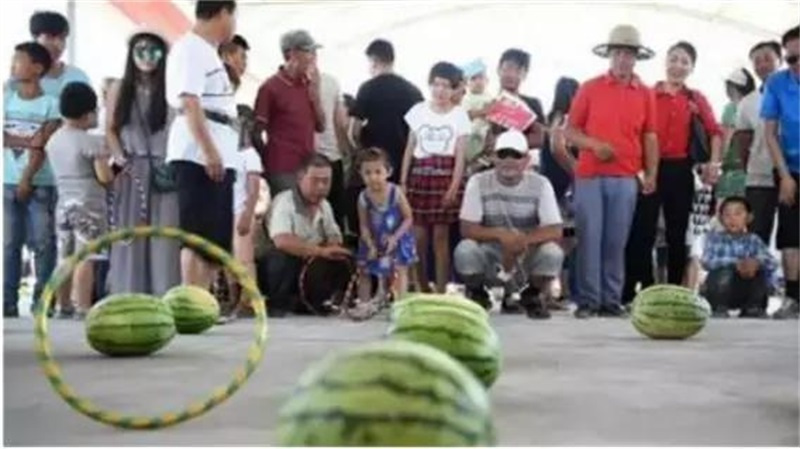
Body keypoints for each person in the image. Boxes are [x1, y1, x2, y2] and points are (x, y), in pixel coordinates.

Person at [564, 24, 659, 319]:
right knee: (589, 237)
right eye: (618, 53)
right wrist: (593, 145)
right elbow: (569, 132)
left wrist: (651, 173)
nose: (623, 59)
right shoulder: (589, 87)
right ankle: (588, 301)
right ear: (609, 55)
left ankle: (611, 300)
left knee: (617, 240)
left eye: (628, 54)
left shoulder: (645, 93)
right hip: (590, 174)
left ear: (636, 58)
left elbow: (650, 136)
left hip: (626, 175)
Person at [622, 41, 723, 305]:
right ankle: (637, 288)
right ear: (665, 62)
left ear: (691, 68)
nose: (678, 65)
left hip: (680, 170)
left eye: (684, 61)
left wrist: (713, 163)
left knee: (678, 234)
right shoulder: (648, 93)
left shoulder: (695, 98)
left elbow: (715, 132)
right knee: (642, 231)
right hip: (650, 168)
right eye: (674, 59)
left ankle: (677, 292)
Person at [165, 0, 239, 290]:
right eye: (234, 16)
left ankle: (204, 302)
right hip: (199, 152)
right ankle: (190, 301)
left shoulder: (207, 52)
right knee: (197, 231)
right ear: (223, 13)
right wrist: (209, 151)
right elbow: (190, 100)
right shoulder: (190, 48)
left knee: (214, 236)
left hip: (221, 146)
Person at [455, 130, 564, 318]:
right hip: (491, 253)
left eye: (516, 155)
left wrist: (521, 241)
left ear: (526, 159)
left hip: (526, 253)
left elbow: (555, 229)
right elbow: (467, 228)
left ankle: (531, 294)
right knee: (465, 250)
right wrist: (501, 236)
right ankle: (478, 293)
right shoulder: (478, 182)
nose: (509, 160)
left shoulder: (541, 184)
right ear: (493, 157)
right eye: (503, 154)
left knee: (552, 252)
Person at [106, 31, 180, 296]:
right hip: (131, 168)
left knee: (165, 235)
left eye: (154, 50)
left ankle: (165, 295)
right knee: (131, 235)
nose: (147, 56)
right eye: (141, 50)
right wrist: (120, 159)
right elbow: (110, 130)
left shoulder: (172, 89)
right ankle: (128, 294)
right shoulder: (119, 88)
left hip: (165, 170)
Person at [46, 82, 114, 319]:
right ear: (88, 114)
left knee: (64, 256)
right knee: (88, 256)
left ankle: (61, 305)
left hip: (63, 203)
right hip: (89, 205)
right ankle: (82, 305)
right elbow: (104, 176)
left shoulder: (54, 140)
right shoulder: (92, 142)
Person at [401, 62, 470, 293]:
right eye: (436, 84)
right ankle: (422, 287)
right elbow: (410, 147)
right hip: (419, 176)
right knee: (418, 238)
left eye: (446, 86)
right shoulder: (418, 110)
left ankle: (441, 291)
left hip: (445, 175)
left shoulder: (460, 115)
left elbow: (461, 155)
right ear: (430, 85)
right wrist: (402, 181)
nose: (440, 90)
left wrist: (454, 186)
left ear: (455, 89)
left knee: (441, 238)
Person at [3, 42, 60, 318]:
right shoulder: (6, 99)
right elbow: (32, 141)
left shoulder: (52, 105)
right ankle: (7, 301)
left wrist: (28, 177)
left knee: (43, 243)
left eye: (19, 60)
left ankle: (43, 300)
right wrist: (29, 140)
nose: (13, 65)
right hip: (7, 181)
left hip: (41, 183)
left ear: (37, 68)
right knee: (9, 243)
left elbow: (43, 145)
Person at [262, 154, 352, 317]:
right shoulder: (285, 202)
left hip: (309, 265)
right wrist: (320, 251)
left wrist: (333, 247)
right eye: (315, 180)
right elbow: (282, 241)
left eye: (326, 181)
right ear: (299, 178)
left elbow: (334, 236)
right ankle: (277, 302)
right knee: (280, 258)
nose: (321, 187)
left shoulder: (325, 205)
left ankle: (321, 300)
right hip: (281, 265)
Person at [253, 29, 325, 196]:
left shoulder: (309, 85)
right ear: (291, 54)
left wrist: (316, 95)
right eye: (309, 51)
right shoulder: (270, 88)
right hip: (282, 169)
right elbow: (256, 131)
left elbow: (321, 126)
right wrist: (270, 159)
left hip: (308, 168)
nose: (313, 57)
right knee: (288, 216)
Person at [762, 25, 800, 319]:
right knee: (790, 234)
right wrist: (785, 176)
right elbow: (770, 133)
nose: (797, 65)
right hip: (790, 167)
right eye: (792, 59)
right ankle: (792, 296)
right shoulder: (777, 83)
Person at [736, 41, 782, 246]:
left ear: (780, 61)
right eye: (757, 60)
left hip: (793, 174)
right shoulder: (748, 102)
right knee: (756, 234)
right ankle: (755, 277)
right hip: (759, 177)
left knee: (792, 237)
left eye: (768, 58)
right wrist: (749, 167)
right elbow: (743, 141)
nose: (763, 64)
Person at [355, 147, 416, 303]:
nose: (373, 177)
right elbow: (364, 225)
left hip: (397, 236)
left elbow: (408, 218)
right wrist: (370, 244)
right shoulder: (363, 197)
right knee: (364, 268)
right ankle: (364, 303)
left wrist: (395, 238)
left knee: (400, 268)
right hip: (375, 237)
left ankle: (400, 303)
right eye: (367, 173)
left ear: (388, 172)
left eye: (377, 172)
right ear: (360, 174)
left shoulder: (395, 193)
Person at [700, 197, 777, 318]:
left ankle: (753, 308)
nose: (732, 219)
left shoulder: (754, 240)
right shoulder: (715, 239)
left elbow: (773, 262)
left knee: (760, 271)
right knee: (724, 271)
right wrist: (736, 264)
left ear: (749, 217)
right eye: (727, 214)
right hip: (722, 290)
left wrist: (755, 263)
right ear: (720, 218)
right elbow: (707, 261)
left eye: (738, 214)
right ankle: (718, 307)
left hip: (745, 288)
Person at [484, 49, 546, 156]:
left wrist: (504, 141)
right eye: (507, 68)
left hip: (525, 165)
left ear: (525, 75)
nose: (511, 74)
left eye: (518, 71)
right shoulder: (487, 104)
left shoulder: (533, 104)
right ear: (498, 70)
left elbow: (540, 139)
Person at [316, 72, 351, 230]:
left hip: (309, 159)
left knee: (312, 210)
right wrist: (346, 150)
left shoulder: (286, 83)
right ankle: (337, 249)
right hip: (332, 155)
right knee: (335, 211)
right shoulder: (331, 81)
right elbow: (341, 122)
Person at [716, 68, 756, 200]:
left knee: (727, 214)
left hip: (731, 172)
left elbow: (726, 139)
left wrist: (717, 162)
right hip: (752, 172)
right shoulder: (756, 105)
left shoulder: (731, 108)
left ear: (732, 87)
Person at [28, 11, 90, 97]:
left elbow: (89, 110)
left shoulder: (78, 77)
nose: (57, 44)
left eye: (62, 38)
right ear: (35, 38)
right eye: (50, 37)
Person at [460, 59, 494, 174]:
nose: (478, 81)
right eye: (473, 79)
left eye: (481, 78)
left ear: (487, 81)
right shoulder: (467, 98)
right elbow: (466, 114)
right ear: (466, 83)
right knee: (473, 151)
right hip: (473, 133)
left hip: (487, 133)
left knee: (488, 151)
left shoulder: (490, 96)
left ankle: (481, 164)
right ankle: (472, 166)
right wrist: (483, 111)